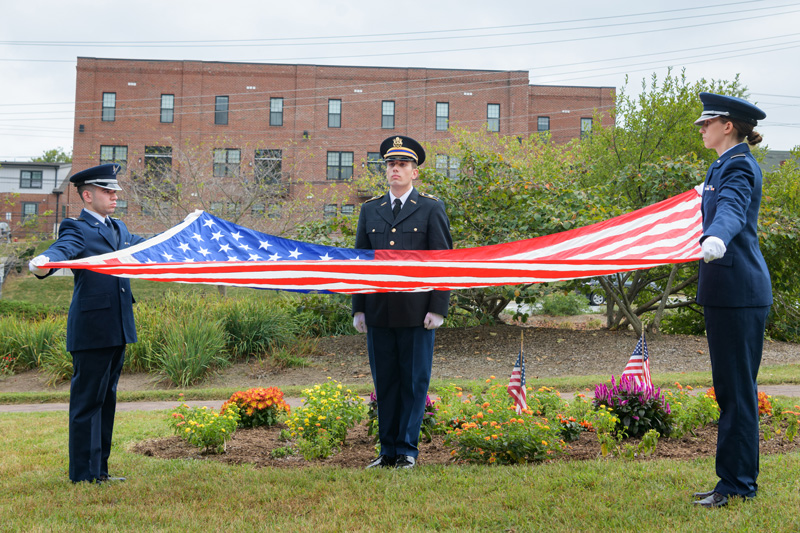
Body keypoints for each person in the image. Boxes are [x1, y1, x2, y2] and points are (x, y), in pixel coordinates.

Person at [29, 163, 145, 485]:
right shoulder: (76, 227)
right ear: (87, 194)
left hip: (118, 327)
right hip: (92, 330)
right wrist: (44, 264)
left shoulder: (119, 228)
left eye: (115, 192)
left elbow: (149, 246)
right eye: (108, 192)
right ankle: (83, 475)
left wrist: (183, 232)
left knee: (106, 401)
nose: (114, 197)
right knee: (86, 405)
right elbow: (62, 249)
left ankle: (100, 472)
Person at [691, 93, 772, 508]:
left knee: (738, 391)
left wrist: (718, 235)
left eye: (708, 122)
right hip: (727, 293)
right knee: (730, 390)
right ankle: (732, 479)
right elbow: (716, 203)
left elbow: (732, 208)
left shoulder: (739, 165)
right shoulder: (721, 164)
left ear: (729, 126)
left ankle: (738, 484)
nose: (701, 128)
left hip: (739, 292)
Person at [352, 136, 453, 469]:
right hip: (379, 311)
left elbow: (442, 261)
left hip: (416, 313)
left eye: (402, 165)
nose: (395, 170)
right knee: (386, 383)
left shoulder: (430, 208)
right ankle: (387, 451)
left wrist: (438, 307)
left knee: (413, 382)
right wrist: (359, 307)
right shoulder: (370, 210)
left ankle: (407, 450)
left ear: (415, 173)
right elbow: (361, 262)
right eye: (391, 165)